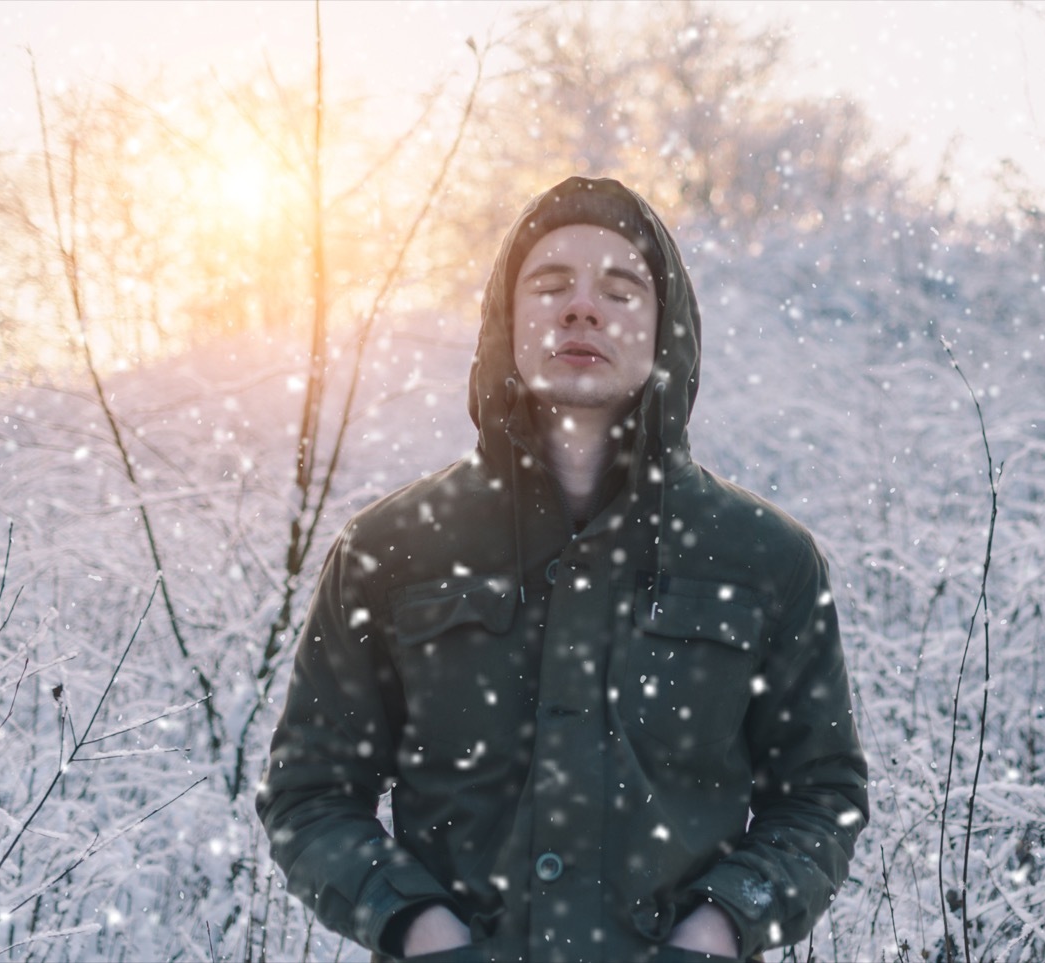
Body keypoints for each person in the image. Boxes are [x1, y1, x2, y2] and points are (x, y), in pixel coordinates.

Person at [256, 176, 868, 963]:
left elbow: (820, 797)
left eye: (620, 290)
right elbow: (311, 795)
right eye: (550, 285)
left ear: (666, 329)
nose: (583, 308)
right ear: (507, 320)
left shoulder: (764, 557)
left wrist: (715, 932)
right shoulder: (392, 548)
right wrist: (420, 928)